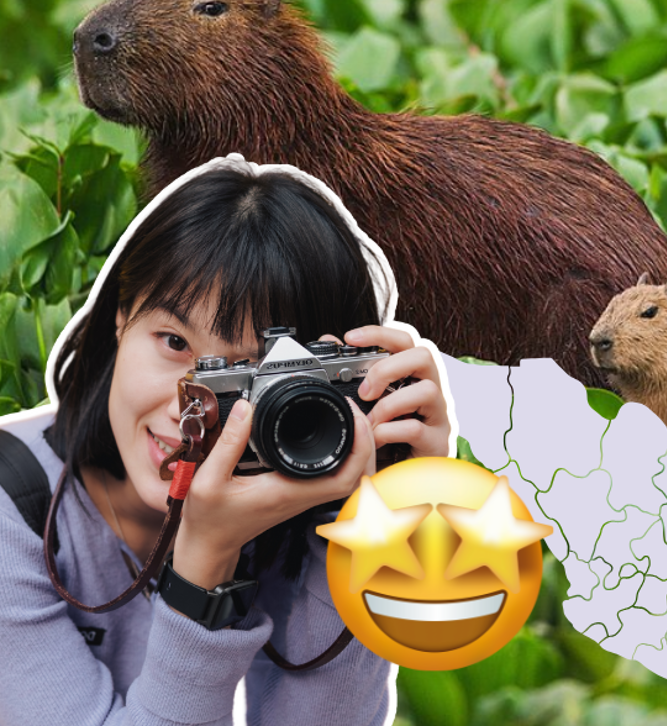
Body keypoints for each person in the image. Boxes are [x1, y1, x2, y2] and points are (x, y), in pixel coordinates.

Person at [0, 154, 454, 725]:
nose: (189, 407)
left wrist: (377, 525)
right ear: (120, 318)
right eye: (173, 342)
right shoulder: (13, 514)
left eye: (251, 380)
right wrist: (203, 564)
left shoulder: (296, 500)